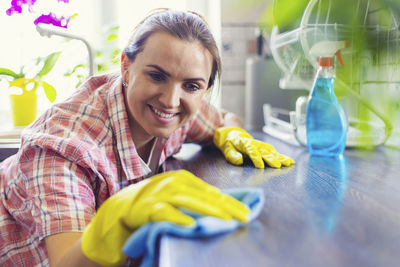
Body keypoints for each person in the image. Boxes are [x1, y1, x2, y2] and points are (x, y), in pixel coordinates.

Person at [0, 9, 294, 266]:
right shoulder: (64, 148)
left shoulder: (179, 109)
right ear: (126, 67)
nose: (170, 100)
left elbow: (223, 119)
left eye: (192, 85)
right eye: (156, 76)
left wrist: (233, 133)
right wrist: (114, 217)